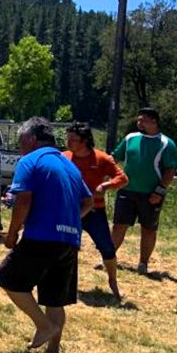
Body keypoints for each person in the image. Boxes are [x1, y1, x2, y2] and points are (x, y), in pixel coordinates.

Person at [0, 117, 93, 353]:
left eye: (20, 142)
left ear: (31, 139)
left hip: (42, 237)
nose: (19, 147)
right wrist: (68, 219)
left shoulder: (30, 161)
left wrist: (12, 233)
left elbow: (23, 200)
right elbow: (88, 201)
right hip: (69, 240)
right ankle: (52, 352)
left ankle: (44, 326)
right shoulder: (69, 164)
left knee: (8, 279)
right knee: (54, 298)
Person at [64, 122, 129, 300]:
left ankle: (113, 282)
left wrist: (106, 185)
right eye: (67, 139)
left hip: (95, 212)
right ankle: (67, 284)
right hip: (71, 211)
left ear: (84, 141)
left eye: (73, 139)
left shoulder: (102, 158)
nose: (68, 143)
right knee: (67, 248)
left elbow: (123, 178)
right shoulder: (64, 158)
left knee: (107, 248)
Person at [111, 107, 177, 274]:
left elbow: (170, 170)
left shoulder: (166, 143)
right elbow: (114, 158)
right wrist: (109, 176)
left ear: (154, 122)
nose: (139, 123)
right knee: (119, 225)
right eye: (138, 120)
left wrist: (159, 191)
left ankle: (143, 263)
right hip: (126, 190)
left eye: (143, 120)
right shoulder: (130, 138)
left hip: (151, 194)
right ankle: (108, 256)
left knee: (148, 228)